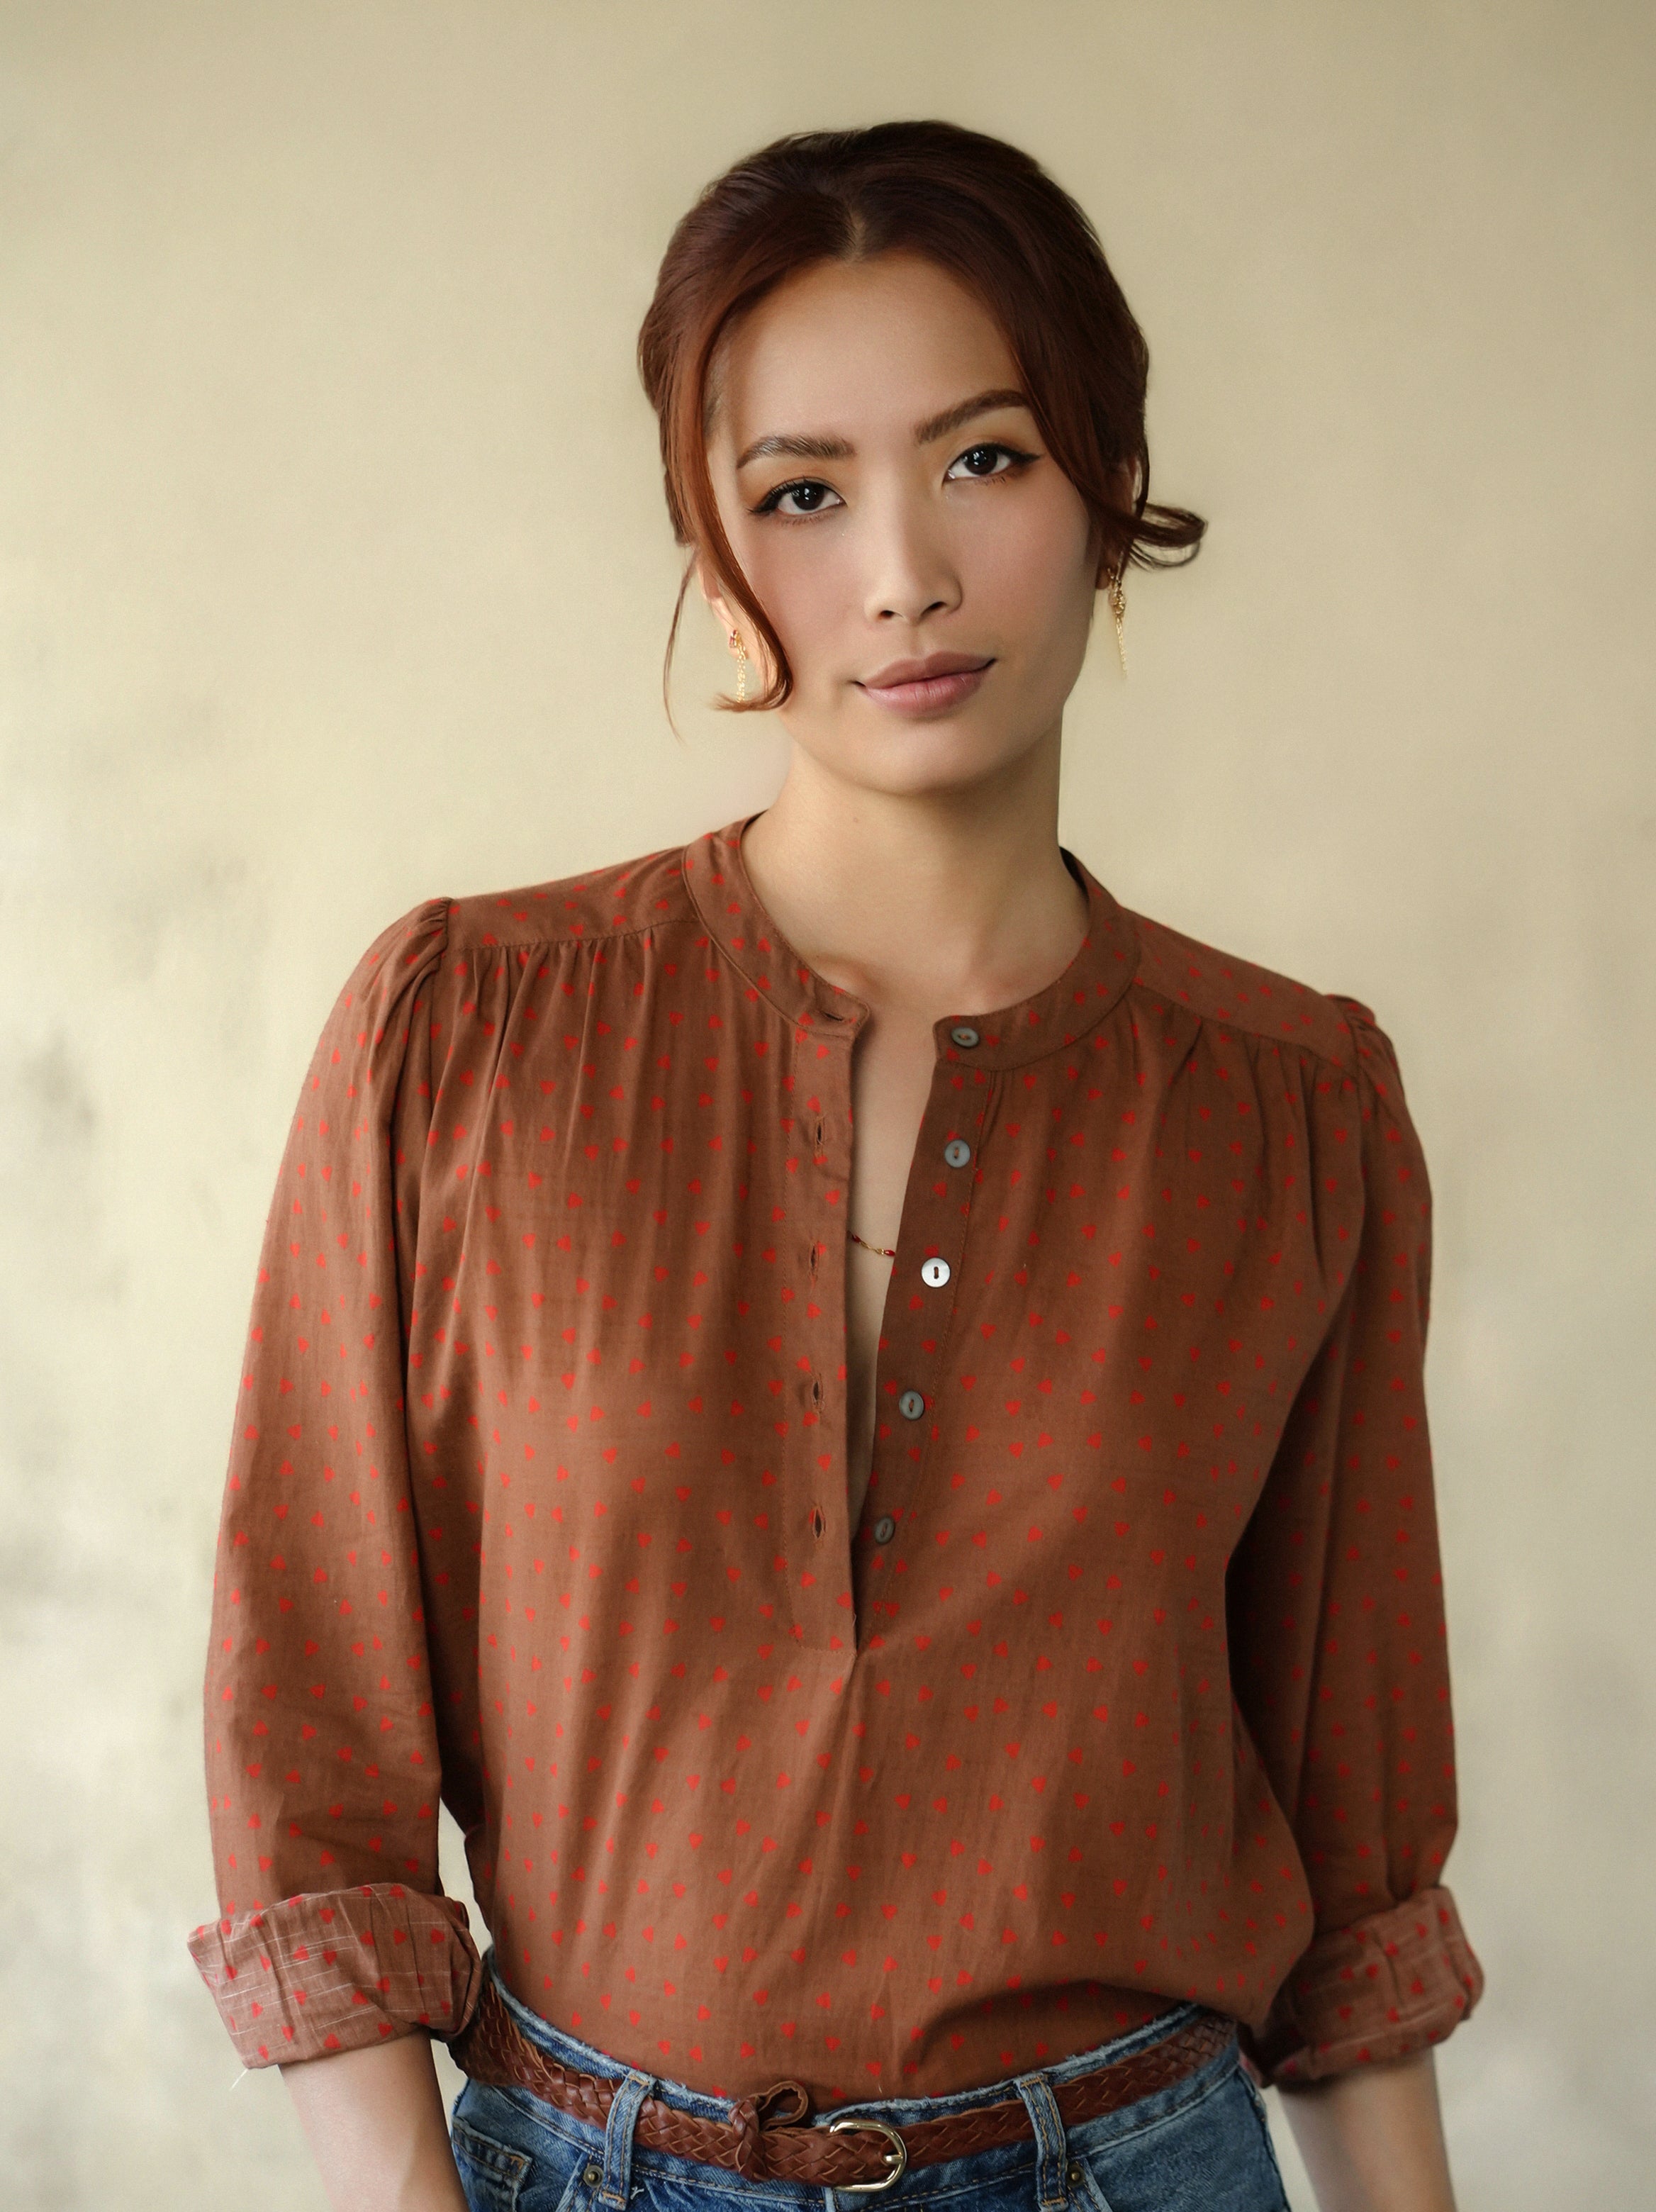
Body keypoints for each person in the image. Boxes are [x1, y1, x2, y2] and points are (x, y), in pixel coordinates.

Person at [186, 120, 1483, 2212]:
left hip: (1143, 2162)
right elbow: (310, 1732)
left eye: (985, 458)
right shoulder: (469, 1030)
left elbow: (1351, 1849)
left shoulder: (1292, 1103)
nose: (901, 573)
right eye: (801, 494)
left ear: (1110, 479)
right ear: (712, 552)